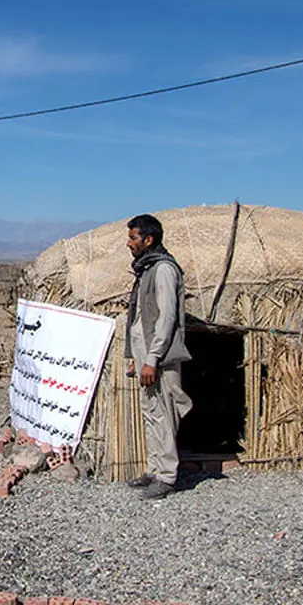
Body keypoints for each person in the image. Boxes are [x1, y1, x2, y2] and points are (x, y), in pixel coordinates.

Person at [124, 213, 193, 501]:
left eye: (132, 237)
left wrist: (152, 358)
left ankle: (167, 476)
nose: (128, 243)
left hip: (160, 357)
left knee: (163, 414)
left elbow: (166, 319)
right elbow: (140, 318)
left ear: (148, 239)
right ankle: (154, 469)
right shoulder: (146, 269)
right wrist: (135, 356)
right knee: (151, 412)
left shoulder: (163, 270)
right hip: (145, 355)